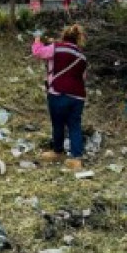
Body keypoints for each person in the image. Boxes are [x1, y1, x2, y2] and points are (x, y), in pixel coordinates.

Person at [31, 24, 88, 170]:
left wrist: (37, 39)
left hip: (58, 92)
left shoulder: (56, 47)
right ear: (78, 39)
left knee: (58, 123)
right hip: (78, 97)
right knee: (74, 125)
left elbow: (38, 53)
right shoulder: (82, 57)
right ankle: (76, 158)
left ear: (64, 36)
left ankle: (58, 151)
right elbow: (83, 77)